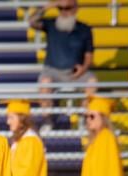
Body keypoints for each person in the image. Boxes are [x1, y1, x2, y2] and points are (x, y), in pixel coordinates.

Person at [29, 0, 97, 130]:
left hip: (76, 74)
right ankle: (48, 120)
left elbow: (89, 56)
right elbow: (32, 21)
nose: (64, 12)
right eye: (61, 9)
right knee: (45, 82)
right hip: (52, 71)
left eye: (68, 8)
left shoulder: (84, 29)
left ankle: (84, 118)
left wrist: (83, 68)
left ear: (75, 9)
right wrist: (51, 5)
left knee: (92, 81)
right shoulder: (51, 24)